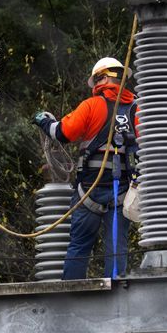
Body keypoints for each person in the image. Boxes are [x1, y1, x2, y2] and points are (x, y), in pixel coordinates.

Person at [33, 57, 139, 280]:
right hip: (123, 193)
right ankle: (116, 298)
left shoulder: (93, 105)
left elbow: (62, 132)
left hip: (89, 190)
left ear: (100, 79)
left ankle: (70, 298)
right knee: (116, 249)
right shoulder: (137, 110)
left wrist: (43, 120)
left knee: (79, 247)